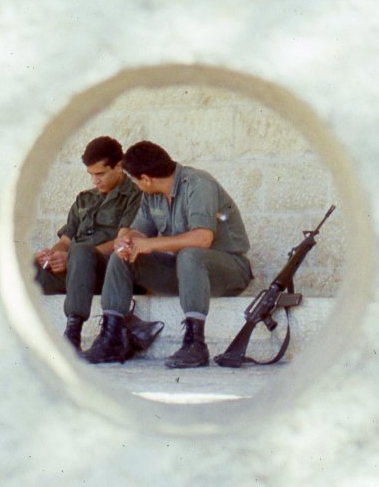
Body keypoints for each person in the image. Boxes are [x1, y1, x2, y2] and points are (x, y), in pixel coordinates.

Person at [83, 141, 253, 368]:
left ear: (146, 179)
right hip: (186, 274)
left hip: (228, 269)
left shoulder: (198, 183)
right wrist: (125, 238)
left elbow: (203, 239)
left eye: (135, 180)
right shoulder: (151, 194)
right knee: (121, 258)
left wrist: (150, 244)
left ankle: (195, 344)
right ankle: (111, 339)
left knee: (190, 254)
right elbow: (139, 230)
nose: (136, 184)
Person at [35, 136, 159, 352]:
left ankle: (73, 333)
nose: (95, 180)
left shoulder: (135, 196)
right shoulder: (84, 199)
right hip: (76, 269)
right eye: (91, 174)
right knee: (25, 267)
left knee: (82, 252)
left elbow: (125, 240)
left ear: (119, 167)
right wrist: (52, 256)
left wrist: (73, 257)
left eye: (100, 174)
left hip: (108, 272)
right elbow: (65, 241)